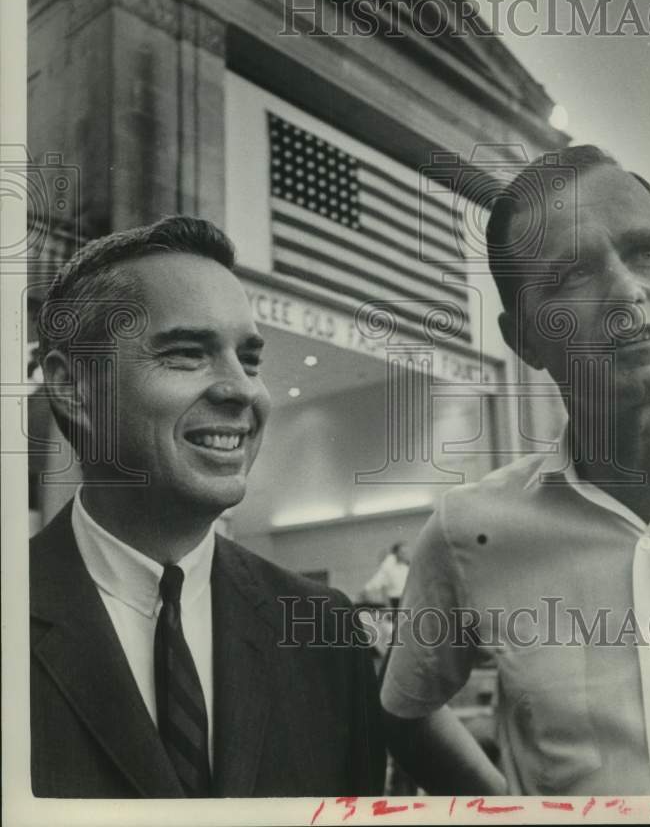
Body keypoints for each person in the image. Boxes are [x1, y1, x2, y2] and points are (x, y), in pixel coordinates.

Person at [381, 146, 650, 796]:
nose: (627, 290)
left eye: (646, 251)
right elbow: (405, 711)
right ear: (522, 340)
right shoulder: (469, 532)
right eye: (572, 273)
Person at [30, 216, 385, 798]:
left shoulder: (327, 632)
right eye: (188, 354)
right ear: (75, 390)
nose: (242, 390)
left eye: (249, 359)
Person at [362, 542, 411, 609]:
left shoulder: (408, 567)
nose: (406, 555)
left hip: (407, 601)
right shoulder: (389, 568)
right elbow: (383, 588)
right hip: (394, 601)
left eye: (407, 552)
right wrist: (389, 607)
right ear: (396, 554)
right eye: (403, 552)